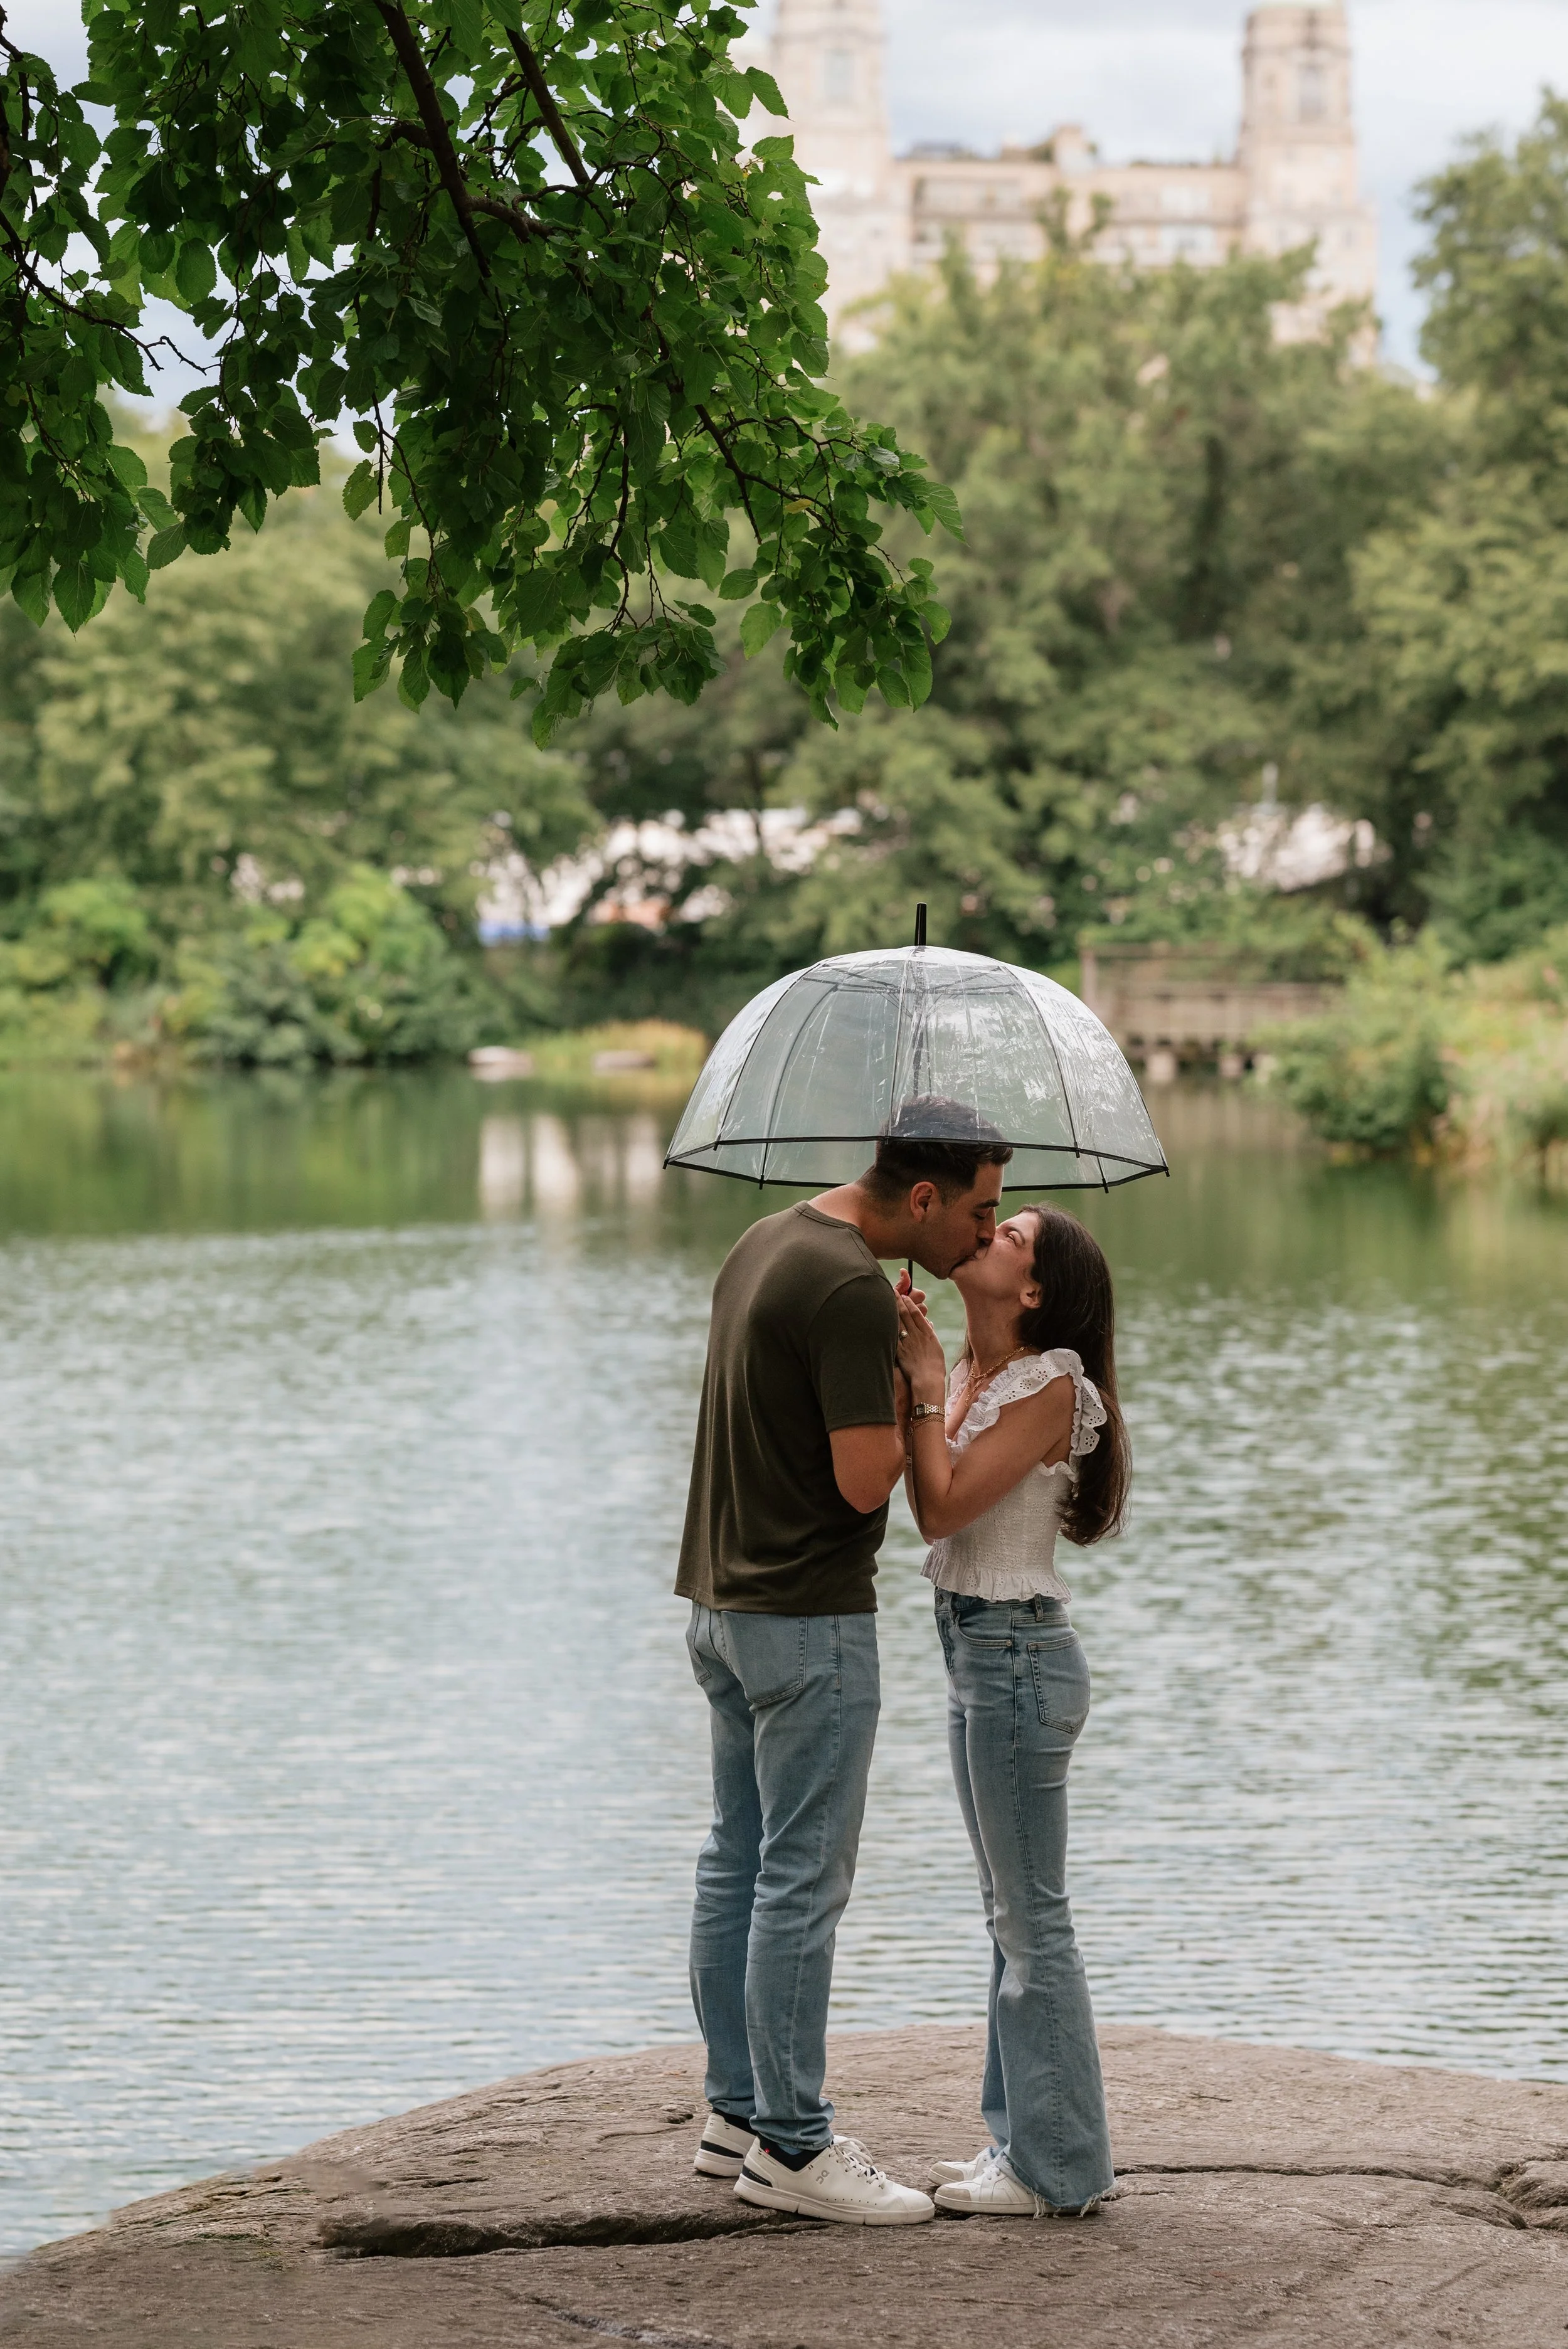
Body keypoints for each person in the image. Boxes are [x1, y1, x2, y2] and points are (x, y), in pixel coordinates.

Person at [678, 1100, 1012, 2226]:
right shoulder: (850, 1292)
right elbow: (871, 1485)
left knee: (737, 1858)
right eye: (978, 1209)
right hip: (808, 1620)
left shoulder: (769, 1242)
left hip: (721, 1606)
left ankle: (736, 2112)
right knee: (799, 1883)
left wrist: (877, 1344)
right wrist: (916, 1382)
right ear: (921, 1198)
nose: (984, 1232)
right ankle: (793, 2144)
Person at [894, 1203, 1128, 2218]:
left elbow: (942, 1508)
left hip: (1018, 1659)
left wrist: (929, 1392)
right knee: (1009, 1919)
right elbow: (920, 1500)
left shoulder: (1051, 1382)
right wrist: (917, 1378)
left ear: (1033, 1289)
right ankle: (1020, 2141)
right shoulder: (983, 1376)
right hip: (975, 1652)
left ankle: (1061, 2168)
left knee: (1033, 1920)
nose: (984, 1229)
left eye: (1010, 1234)